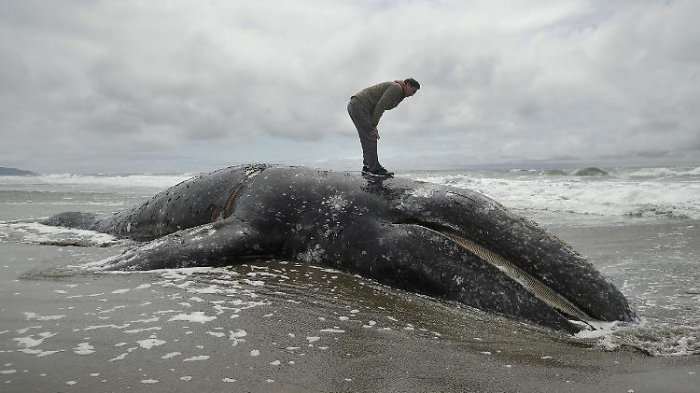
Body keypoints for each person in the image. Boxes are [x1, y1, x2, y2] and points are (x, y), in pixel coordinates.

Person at [347, 78, 420, 177]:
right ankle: (374, 169)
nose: (412, 94)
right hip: (359, 105)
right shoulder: (397, 89)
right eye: (413, 91)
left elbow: (377, 105)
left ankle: (368, 167)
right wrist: (374, 124)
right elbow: (381, 105)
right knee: (370, 136)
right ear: (408, 85)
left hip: (358, 105)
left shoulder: (400, 91)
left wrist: (373, 124)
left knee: (368, 137)